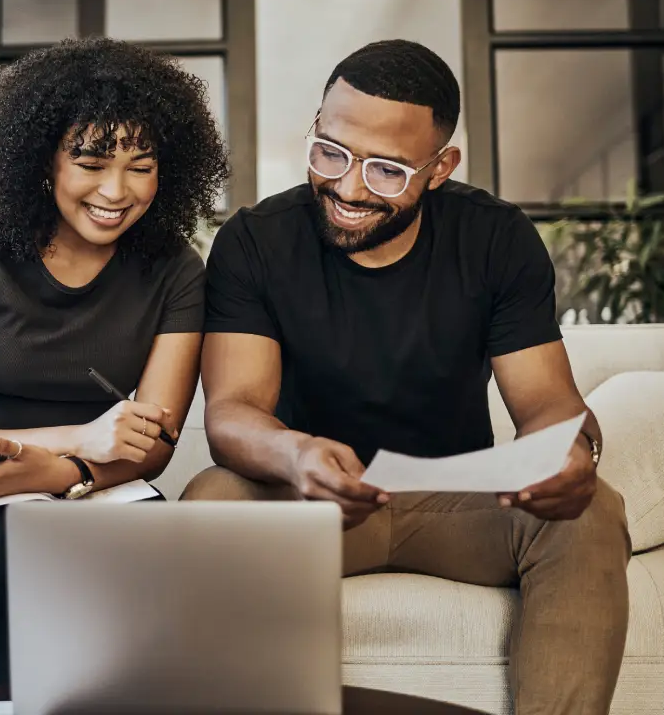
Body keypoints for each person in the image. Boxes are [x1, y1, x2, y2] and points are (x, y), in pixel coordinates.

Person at [184, 39, 630, 715]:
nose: (348, 187)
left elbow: (546, 404)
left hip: (457, 503)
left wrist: (570, 451)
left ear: (440, 166)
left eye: (387, 171)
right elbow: (233, 412)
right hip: (311, 503)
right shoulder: (255, 241)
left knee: (593, 508)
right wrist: (296, 454)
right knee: (213, 496)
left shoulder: (496, 239)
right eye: (330, 152)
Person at [0, 37, 229, 691]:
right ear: (43, 162)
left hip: (96, 488)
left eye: (141, 165)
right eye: (90, 162)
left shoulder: (176, 270)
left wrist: (64, 472)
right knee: (15, 530)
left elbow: (151, 446)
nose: (116, 191)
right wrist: (77, 440)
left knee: (156, 551)